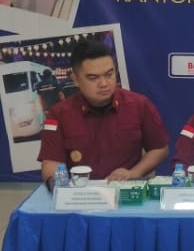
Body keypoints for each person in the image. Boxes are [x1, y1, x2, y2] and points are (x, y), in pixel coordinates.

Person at [38, 40, 169, 187]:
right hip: (80, 192)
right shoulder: (58, 114)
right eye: (93, 78)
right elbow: (51, 162)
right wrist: (59, 188)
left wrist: (133, 173)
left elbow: (159, 149)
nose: (104, 84)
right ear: (75, 80)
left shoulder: (139, 104)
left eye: (109, 74)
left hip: (127, 189)